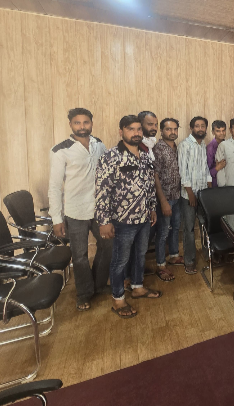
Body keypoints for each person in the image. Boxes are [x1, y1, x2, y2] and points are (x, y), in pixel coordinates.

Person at [96, 115, 161, 319]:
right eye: (131, 129)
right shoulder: (111, 156)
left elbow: (149, 185)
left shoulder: (145, 155)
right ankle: (118, 298)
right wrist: (104, 221)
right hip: (123, 220)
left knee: (140, 254)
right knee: (120, 260)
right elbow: (102, 191)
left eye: (139, 129)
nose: (136, 133)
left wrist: (152, 208)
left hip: (144, 217)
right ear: (121, 131)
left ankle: (138, 287)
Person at [48, 108, 111, 312]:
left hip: (99, 209)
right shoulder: (60, 150)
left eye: (86, 122)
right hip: (75, 211)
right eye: (77, 123)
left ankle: (98, 285)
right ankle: (84, 293)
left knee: (108, 246)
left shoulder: (99, 144)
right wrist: (56, 219)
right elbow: (55, 187)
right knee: (80, 255)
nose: (82, 127)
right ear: (71, 125)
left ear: (91, 123)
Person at [178, 116, 212, 275]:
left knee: (205, 225)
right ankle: (189, 261)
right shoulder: (184, 145)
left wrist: (209, 190)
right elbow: (182, 171)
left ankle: (207, 254)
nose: (200, 129)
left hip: (203, 194)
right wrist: (190, 193)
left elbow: (205, 169)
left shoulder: (202, 145)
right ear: (191, 128)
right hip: (189, 196)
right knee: (189, 229)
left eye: (203, 126)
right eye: (197, 126)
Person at [152, 118, 183, 282]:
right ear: (162, 131)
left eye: (175, 129)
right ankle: (161, 264)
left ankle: (174, 255)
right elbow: (154, 175)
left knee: (175, 227)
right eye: (169, 129)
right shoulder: (158, 149)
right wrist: (163, 201)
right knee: (163, 232)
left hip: (177, 195)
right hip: (164, 198)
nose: (172, 132)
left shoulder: (177, 147)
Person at [207, 120, 227, 187]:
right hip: (216, 185)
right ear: (213, 132)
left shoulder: (228, 145)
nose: (221, 133)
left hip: (228, 182)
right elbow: (206, 172)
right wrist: (217, 168)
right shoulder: (210, 148)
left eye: (223, 130)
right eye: (218, 131)